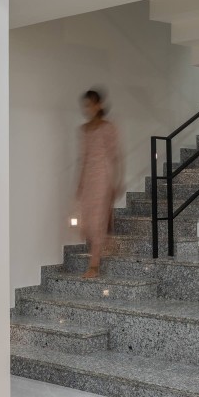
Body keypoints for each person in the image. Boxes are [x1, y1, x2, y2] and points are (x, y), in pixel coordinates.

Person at [75, 89, 123, 279]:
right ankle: (106, 238)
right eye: (86, 105)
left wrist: (116, 181)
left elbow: (115, 157)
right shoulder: (84, 129)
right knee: (87, 220)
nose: (88, 109)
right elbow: (84, 158)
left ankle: (94, 265)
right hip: (88, 178)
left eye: (91, 104)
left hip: (103, 177)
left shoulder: (108, 127)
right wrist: (79, 184)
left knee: (97, 220)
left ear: (99, 105)